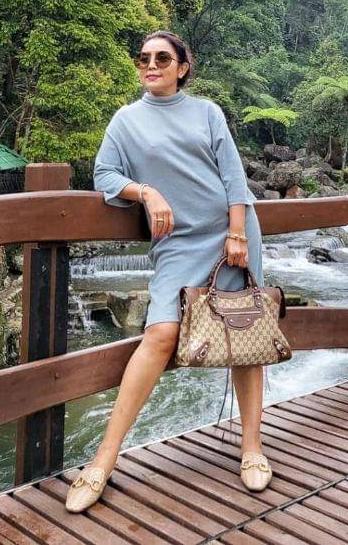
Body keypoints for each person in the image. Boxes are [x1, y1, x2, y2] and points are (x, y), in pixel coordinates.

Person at [65, 29, 272, 513]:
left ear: (182, 67)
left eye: (162, 58)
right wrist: (146, 192)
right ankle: (103, 460)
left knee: (244, 332)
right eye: (144, 58)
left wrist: (237, 234)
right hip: (177, 242)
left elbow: (233, 178)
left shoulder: (207, 113)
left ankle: (252, 447)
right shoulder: (125, 120)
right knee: (160, 334)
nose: (151, 65)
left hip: (230, 233)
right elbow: (104, 175)